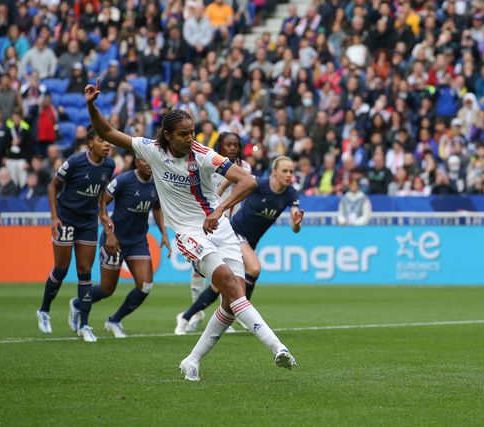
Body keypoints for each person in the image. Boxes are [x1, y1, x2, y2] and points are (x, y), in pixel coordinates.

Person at [83, 79, 296, 380]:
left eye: (192, 132)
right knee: (230, 284)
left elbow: (247, 181)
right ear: (167, 134)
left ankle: (191, 361)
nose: (189, 138)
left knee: (231, 302)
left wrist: (220, 210)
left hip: (219, 228)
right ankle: (278, 348)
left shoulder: (204, 154)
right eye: (183, 134)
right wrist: (91, 105)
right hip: (188, 233)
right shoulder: (151, 150)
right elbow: (106, 132)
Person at [176, 155, 303, 335]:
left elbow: (295, 226)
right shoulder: (260, 183)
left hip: (251, 241)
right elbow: (231, 179)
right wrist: (217, 200)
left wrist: (297, 223)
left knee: (221, 286)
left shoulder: (291, 193)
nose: (289, 175)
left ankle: (186, 316)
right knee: (254, 268)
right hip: (235, 233)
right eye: (285, 171)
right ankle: (242, 313)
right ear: (274, 172)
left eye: (291, 171)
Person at [71, 155, 171, 338]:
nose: (149, 164)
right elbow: (101, 203)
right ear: (136, 162)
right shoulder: (124, 180)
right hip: (114, 240)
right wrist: (109, 233)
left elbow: (156, 207)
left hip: (138, 241)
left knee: (146, 285)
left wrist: (164, 233)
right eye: (144, 161)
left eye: (151, 161)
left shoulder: (157, 182)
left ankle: (114, 320)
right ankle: (78, 303)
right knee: (107, 289)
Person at [36, 126, 115, 342]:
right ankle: (44, 310)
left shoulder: (110, 165)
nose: (107, 144)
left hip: (88, 222)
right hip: (66, 218)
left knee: (85, 270)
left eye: (108, 140)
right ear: (90, 143)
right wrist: (54, 217)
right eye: (102, 140)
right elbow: (53, 186)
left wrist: (102, 213)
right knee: (61, 268)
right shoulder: (75, 162)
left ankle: (85, 325)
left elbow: (101, 191)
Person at [186, 131, 251, 331]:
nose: (232, 148)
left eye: (235, 145)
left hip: (231, 228)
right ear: (220, 147)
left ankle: (227, 313)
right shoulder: (209, 164)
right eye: (228, 145)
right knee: (199, 272)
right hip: (206, 224)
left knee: (230, 273)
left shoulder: (244, 167)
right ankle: (195, 315)